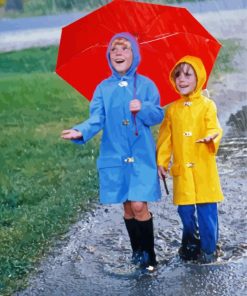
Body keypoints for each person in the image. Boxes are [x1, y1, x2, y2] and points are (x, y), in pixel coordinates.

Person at [61, 32, 164, 270]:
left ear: (135, 54)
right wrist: (81, 130)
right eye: (114, 49)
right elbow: (97, 117)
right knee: (127, 206)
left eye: (125, 48)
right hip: (115, 154)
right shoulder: (102, 88)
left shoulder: (146, 85)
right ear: (109, 56)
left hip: (140, 155)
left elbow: (158, 114)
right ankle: (136, 251)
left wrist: (144, 107)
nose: (119, 52)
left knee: (139, 204)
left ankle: (149, 254)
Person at [157, 55, 224, 264]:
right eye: (178, 75)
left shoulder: (207, 105)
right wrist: (162, 161)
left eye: (188, 74)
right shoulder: (173, 110)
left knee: (207, 214)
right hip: (183, 172)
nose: (182, 79)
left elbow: (214, 126)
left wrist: (212, 136)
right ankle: (190, 242)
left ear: (199, 78)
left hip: (204, 170)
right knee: (185, 211)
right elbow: (165, 139)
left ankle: (209, 249)